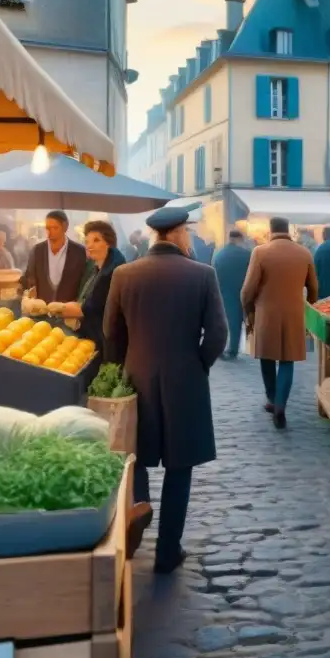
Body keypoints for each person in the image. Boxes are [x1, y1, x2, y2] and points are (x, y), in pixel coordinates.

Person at [104, 206, 227, 574]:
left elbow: (112, 331)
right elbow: (218, 334)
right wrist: (197, 363)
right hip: (184, 380)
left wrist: (126, 365)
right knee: (180, 465)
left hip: (137, 375)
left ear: (156, 235)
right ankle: (168, 550)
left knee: (137, 457)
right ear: (179, 233)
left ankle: (138, 514)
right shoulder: (203, 274)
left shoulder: (124, 274)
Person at [241, 216, 318, 430]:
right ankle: (281, 405)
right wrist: (309, 307)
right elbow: (313, 287)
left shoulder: (260, 252)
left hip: (266, 313)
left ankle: (272, 399)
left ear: (270, 230)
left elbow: (248, 289)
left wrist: (247, 310)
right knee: (287, 360)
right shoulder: (304, 253)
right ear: (289, 231)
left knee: (266, 356)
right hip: (294, 312)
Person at [56, 221, 126, 361]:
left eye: (96, 240)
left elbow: (88, 308)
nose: (89, 246)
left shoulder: (112, 273)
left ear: (109, 243)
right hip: (92, 337)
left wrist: (50, 308)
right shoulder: (95, 269)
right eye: (87, 241)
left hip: (105, 343)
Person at [22, 210, 87, 303]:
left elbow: (83, 282)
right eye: (48, 228)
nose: (50, 232)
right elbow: (29, 276)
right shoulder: (37, 250)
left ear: (65, 227)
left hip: (69, 312)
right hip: (41, 311)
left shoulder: (79, 251)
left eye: (55, 228)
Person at [212, 229, 252, 359]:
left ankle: (221, 348)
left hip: (223, 292)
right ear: (239, 239)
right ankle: (233, 349)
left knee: (224, 322)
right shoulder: (247, 254)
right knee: (237, 323)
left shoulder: (219, 254)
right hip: (242, 291)